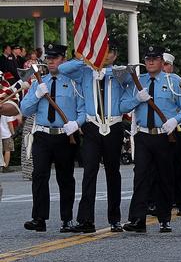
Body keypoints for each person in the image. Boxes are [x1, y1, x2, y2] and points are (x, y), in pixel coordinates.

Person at [120, 45, 181, 233]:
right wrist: (137, 98)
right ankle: (137, 219)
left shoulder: (173, 81)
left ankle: (164, 218)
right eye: (148, 59)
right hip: (144, 135)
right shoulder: (138, 81)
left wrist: (174, 120)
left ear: (162, 62)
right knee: (141, 177)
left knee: (164, 176)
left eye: (155, 58)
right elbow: (122, 107)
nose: (151, 62)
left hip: (164, 135)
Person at [57, 43, 126, 233]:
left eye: (109, 51)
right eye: (101, 51)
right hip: (92, 126)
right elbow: (63, 68)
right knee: (89, 173)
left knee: (113, 173)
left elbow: (128, 78)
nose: (105, 55)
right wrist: (84, 60)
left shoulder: (119, 72)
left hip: (113, 125)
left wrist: (107, 73)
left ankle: (115, 219)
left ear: (115, 54)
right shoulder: (85, 72)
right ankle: (86, 219)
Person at [20, 43, 85, 233]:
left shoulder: (74, 83)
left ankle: (67, 219)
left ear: (63, 60)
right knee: (39, 175)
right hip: (42, 134)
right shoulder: (39, 83)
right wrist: (36, 95)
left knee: (65, 178)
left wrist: (76, 124)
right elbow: (25, 109)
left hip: (65, 136)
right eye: (48, 58)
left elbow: (83, 110)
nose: (51, 61)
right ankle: (39, 218)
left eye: (55, 58)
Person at [160, 52, 181, 217]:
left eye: (166, 64)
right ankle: (158, 201)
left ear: (171, 66)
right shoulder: (153, 82)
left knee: (178, 168)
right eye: (162, 63)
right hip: (158, 131)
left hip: (177, 130)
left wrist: (178, 114)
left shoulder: (180, 83)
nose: (164, 67)